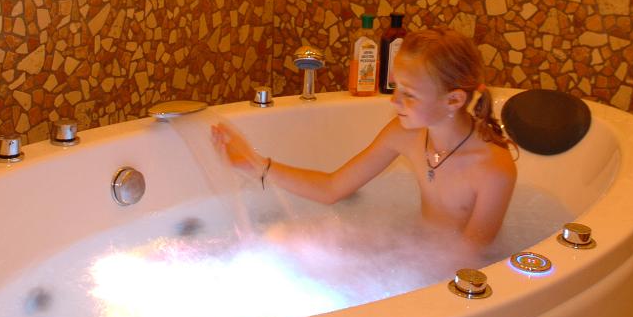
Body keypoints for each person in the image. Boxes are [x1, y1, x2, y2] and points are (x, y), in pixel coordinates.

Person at [211, 27, 517, 257]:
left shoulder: (492, 169)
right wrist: (256, 164)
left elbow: (470, 253)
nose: (394, 100)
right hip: (417, 249)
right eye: (396, 87)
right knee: (289, 245)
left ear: (453, 100)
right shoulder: (405, 134)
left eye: (409, 94)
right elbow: (331, 188)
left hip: (458, 273)